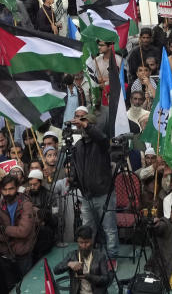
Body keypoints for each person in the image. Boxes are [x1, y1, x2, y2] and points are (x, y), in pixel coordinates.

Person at [69, 106, 119, 262]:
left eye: (85, 123)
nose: (82, 127)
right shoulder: (78, 146)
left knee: (109, 228)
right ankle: (87, 256)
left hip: (104, 193)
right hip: (86, 195)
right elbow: (76, 167)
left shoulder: (101, 144)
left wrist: (86, 125)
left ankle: (112, 258)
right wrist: (73, 180)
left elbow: (102, 138)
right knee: (87, 229)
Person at [0, 174, 37, 292]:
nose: (7, 193)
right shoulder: (1, 204)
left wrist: (4, 229)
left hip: (22, 253)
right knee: (10, 288)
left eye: (10, 189)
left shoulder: (25, 204)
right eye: (4, 189)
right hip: (5, 254)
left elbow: (23, 231)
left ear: (16, 188)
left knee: (26, 286)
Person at [54, 225, 111, 294]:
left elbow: (106, 279)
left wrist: (89, 277)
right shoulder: (72, 255)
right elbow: (56, 270)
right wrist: (68, 264)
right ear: (77, 242)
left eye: (87, 242)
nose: (84, 246)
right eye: (81, 242)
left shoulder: (100, 256)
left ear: (92, 241)